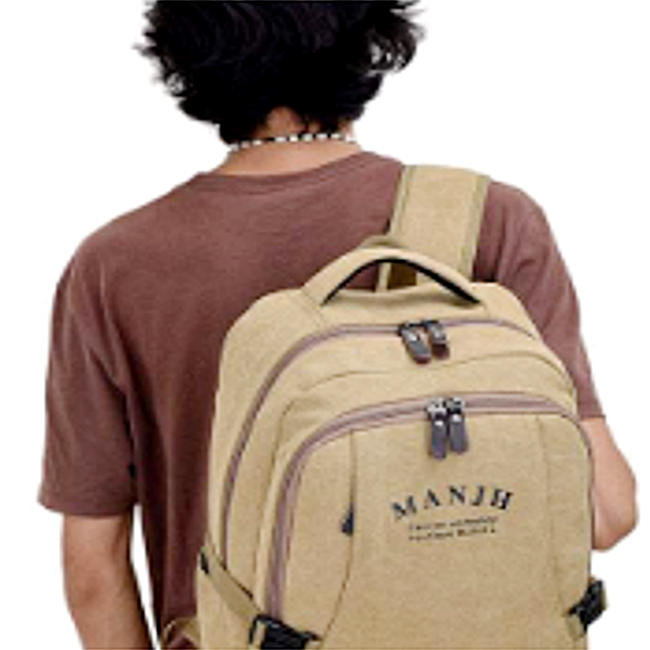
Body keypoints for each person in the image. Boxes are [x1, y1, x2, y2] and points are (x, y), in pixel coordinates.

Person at [38, 2, 638, 648]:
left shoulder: (116, 264)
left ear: (188, 49)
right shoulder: (489, 220)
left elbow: (93, 571)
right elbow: (606, 512)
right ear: (370, 33)